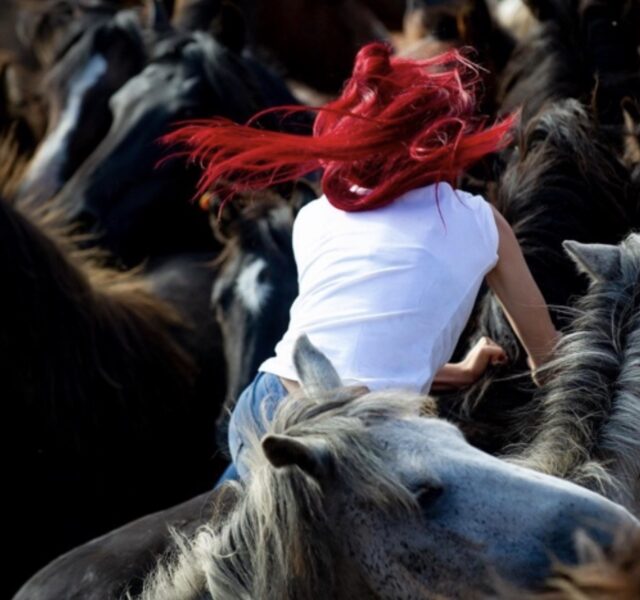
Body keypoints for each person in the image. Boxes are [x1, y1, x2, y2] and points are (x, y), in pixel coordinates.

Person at [167, 42, 559, 482]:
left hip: (262, 408)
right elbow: (548, 361)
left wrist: (460, 372)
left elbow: (350, 345)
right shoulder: (482, 222)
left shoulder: (315, 215)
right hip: (350, 437)